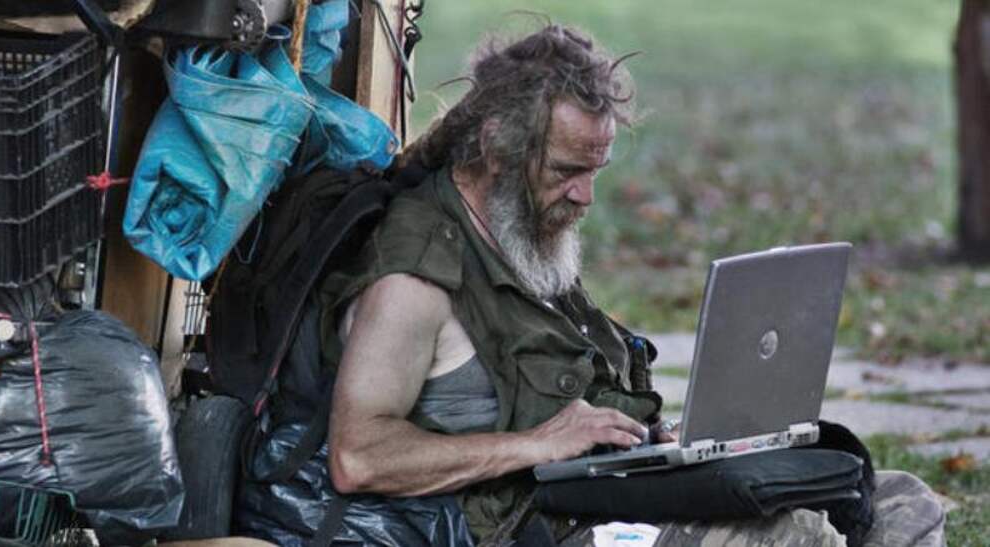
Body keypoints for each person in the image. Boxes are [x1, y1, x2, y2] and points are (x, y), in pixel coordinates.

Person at [323, 24, 946, 546]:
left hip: (612, 494)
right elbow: (359, 456)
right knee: (794, 534)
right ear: (496, 147)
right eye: (567, 170)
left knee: (902, 502)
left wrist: (652, 442)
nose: (586, 196)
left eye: (596, 169)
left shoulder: (518, 225)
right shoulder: (415, 278)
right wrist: (534, 445)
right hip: (545, 526)